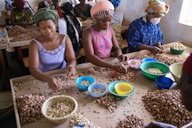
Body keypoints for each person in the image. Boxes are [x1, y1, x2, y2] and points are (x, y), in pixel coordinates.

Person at [29, 8, 76, 90]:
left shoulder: (64, 39)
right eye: (43, 28)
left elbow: (71, 59)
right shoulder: (35, 44)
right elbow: (33, 69)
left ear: (55, 25)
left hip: (63, 73)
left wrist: (71, 66)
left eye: (50, 27)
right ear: (38, 29)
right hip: (43, 76)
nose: (48, 31)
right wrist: (48, 79)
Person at [83, 0, 127, 73]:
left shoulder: (110, 30)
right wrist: (111, 66)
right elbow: (90, 56)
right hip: (93, 64)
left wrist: (120, 55)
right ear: (96, 18)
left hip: (108, 61)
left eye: (109, 21)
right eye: (103, 21)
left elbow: (116, 48)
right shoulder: (88, 32)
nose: (107, 24)